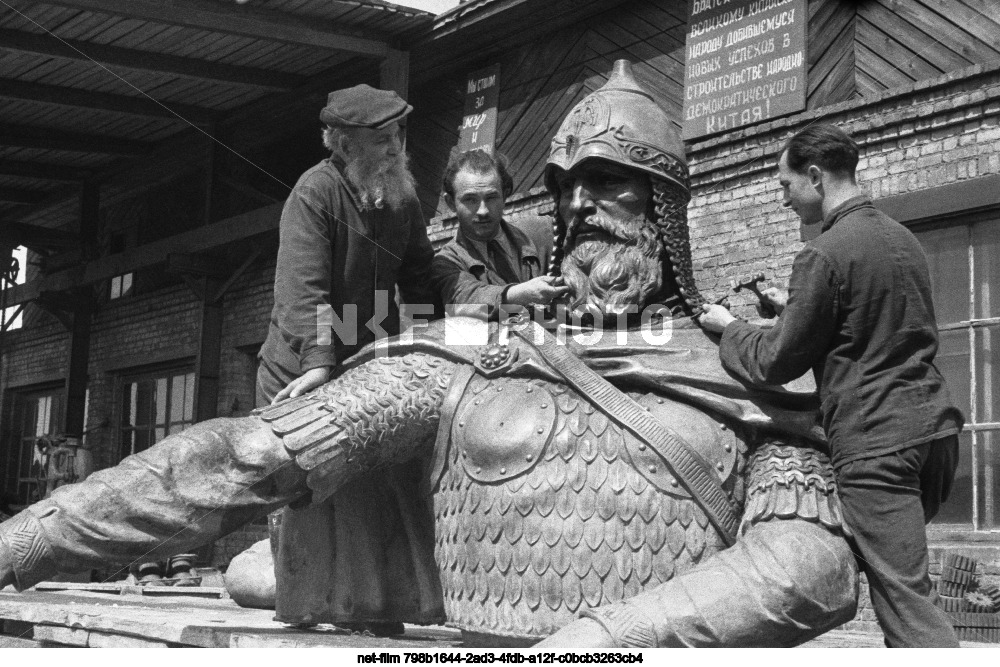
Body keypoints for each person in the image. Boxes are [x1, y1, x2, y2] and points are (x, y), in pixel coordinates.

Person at [0, 61, 860, 647]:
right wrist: (22, 542)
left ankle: (295, 562)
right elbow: (244, 453)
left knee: (270, 561)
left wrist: (598, 644)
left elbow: (811, 564)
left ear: (664, 207)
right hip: (313, 357)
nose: (588, 208)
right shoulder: (335, 218)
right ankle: (293, 560)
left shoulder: (735, 363)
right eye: (570, 190)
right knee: (268, 487)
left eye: (614, 184)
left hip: (618, 643)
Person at [698, 124, 963, 648]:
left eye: (785, 185)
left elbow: (773, 361)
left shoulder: (823, 253)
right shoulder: (901, 238)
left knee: (909, 608)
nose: (784, 200)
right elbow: (870, 326)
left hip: (878, 446)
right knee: (902, 589)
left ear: (815, 176)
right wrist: (791, 309)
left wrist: (729, 328)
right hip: (935, 434)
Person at [252, 83, 441, 633]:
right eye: (380, 138)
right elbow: (302, 290)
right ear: (342, 144)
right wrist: (318, 362)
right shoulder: (314, 193)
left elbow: (420, 277)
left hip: (366, 365)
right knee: (311, 495)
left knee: (378, 489)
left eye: (398, 135)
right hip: (300, 372)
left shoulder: (402, 195)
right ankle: (310, 608)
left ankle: (376, 610)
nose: (394, 147)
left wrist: (433, 338)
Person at [430, 149, 567, 314]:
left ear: (505, 195)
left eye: (491, 198)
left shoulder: (543, 233)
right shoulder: (446, 262)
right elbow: (465, 297)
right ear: (451, 203)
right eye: (470, 200)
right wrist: (519, 294)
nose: (483, 211)